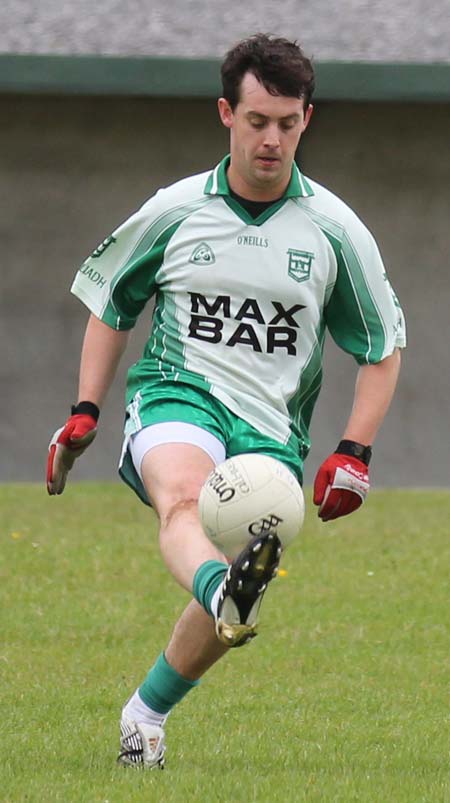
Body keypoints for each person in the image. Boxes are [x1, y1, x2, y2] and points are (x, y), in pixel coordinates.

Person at [47, 33, 406, 769]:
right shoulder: (176, 210)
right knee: (184, 502)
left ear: (308, 119)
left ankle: (145, 714)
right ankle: (220, 587)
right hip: (178, 396)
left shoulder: (336, 232)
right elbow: (113, 303)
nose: (271, 138)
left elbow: (381, 346)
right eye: (256, 121)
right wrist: (86, 407)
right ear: (225, 114)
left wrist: (353, 452)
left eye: (287, 121)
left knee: (244, 594)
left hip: (271, 435)